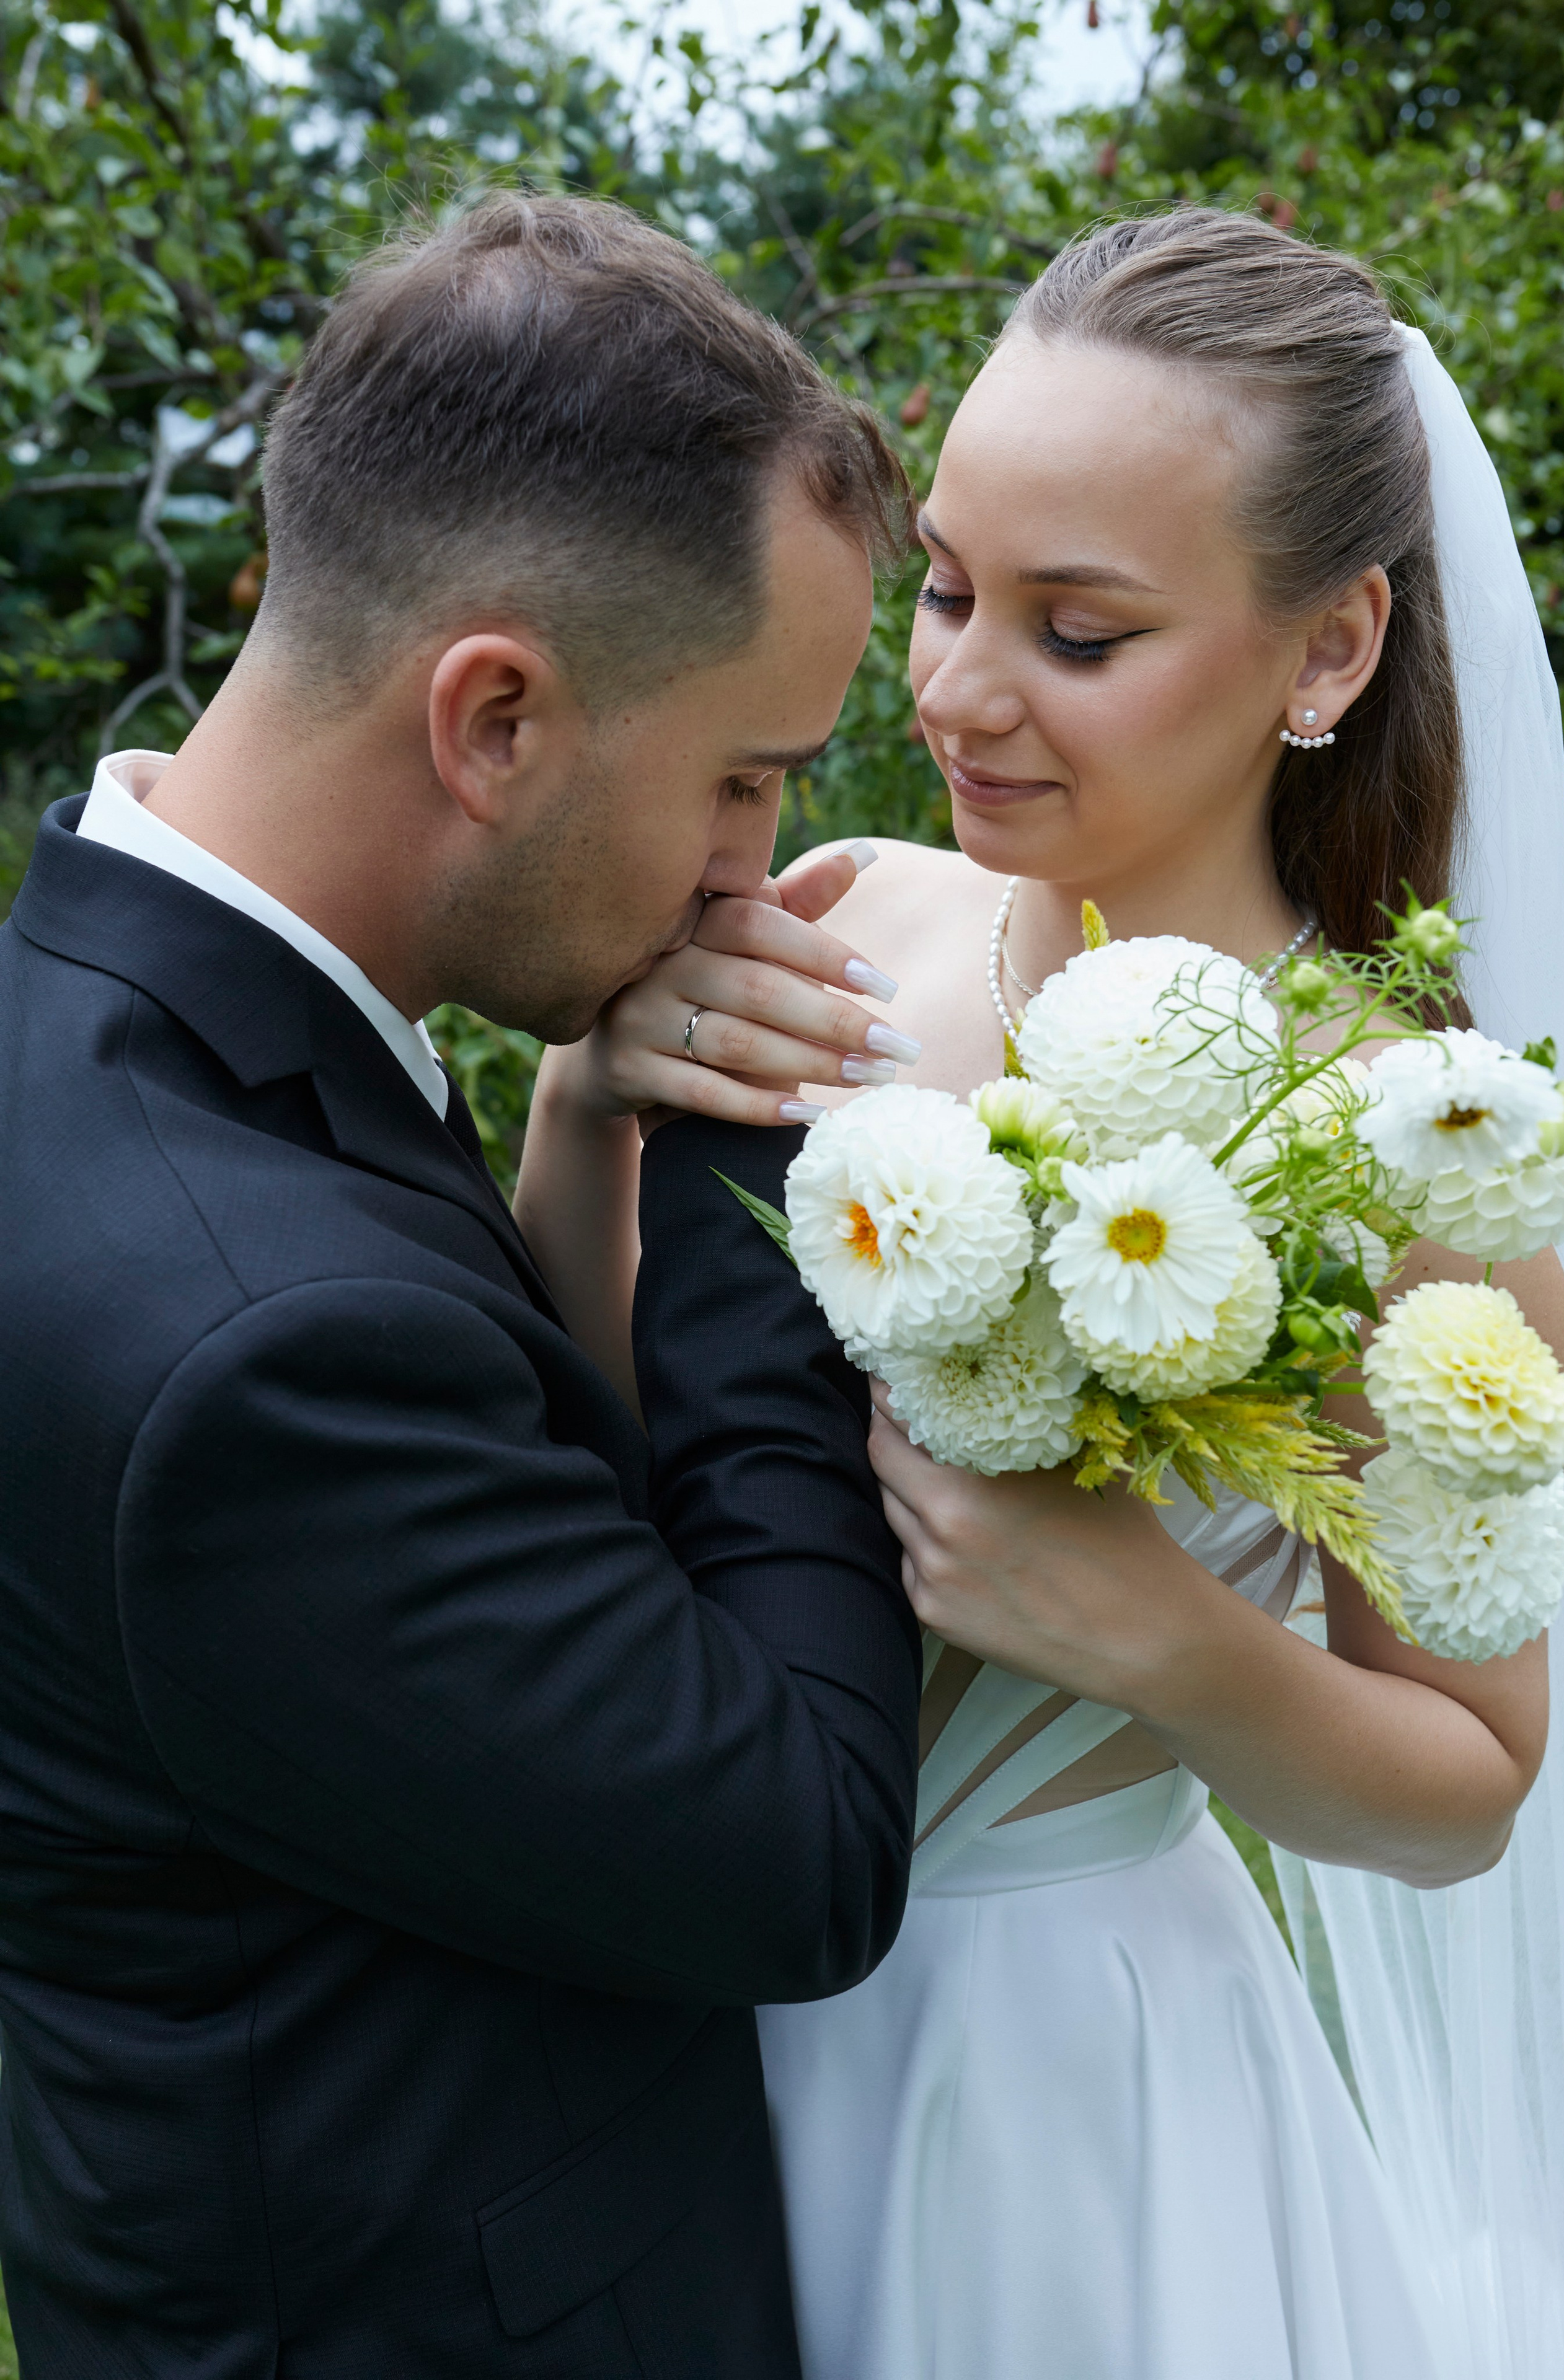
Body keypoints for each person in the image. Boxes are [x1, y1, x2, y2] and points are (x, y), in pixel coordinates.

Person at [524, 208, 1564, 2377]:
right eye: (943, 586)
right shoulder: (836, 926)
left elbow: (1474, 1785)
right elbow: (578, 1453)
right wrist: (576, 1121)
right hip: (672, 2022)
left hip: (1063, 2083)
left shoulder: (1403, 1155)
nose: (950, 687)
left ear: (1328, 650)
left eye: (1075, 632)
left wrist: (1179, 1649)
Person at [0, 192, 927, 2376]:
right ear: (493, 717)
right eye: (743, 774)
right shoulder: (258, 1356)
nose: (750, 859)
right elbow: (798, 1841)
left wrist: (583, 1113)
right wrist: (744, 1169)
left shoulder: (110, 1030)